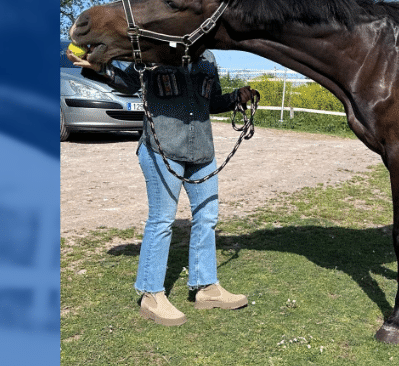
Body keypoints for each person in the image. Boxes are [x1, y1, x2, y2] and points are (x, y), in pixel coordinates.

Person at [68, 47, 258, 326]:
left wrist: (235, 98)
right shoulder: (153, 52)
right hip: (161, 149)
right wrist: (99, 68)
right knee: (161, 221)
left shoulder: (208, 59)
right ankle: (151, 296)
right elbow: (129, 82)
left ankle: (206, 288)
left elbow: (211, 101)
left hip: (202, 152)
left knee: (207, 218)